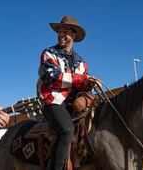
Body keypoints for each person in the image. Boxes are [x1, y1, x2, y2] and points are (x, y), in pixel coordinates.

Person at [37, 15, 100, 170]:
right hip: (53, 101)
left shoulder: (82, 63)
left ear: (74, 35)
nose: (61, 34)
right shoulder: (48, 53)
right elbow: (52, 77)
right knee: (66, 130)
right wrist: (82, 79)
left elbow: (79, 86)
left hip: (73, 104)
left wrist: (88, 84)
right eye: (59, 31)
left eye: (65, 31)